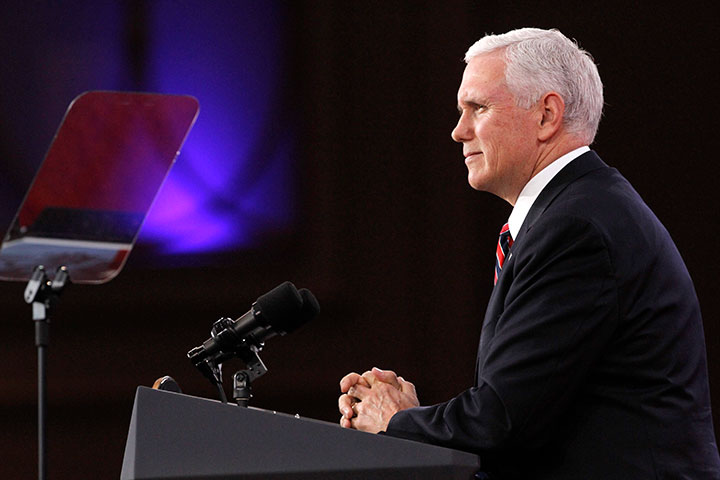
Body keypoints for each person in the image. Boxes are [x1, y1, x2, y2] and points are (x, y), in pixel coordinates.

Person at [338, 27, 720, 478]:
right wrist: (415, 421)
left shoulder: (576, 229)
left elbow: (501, 423)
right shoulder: (580, 211)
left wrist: (395, 421)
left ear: (546, 115)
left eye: (477, 108)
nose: (458, 131)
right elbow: (529, 410)